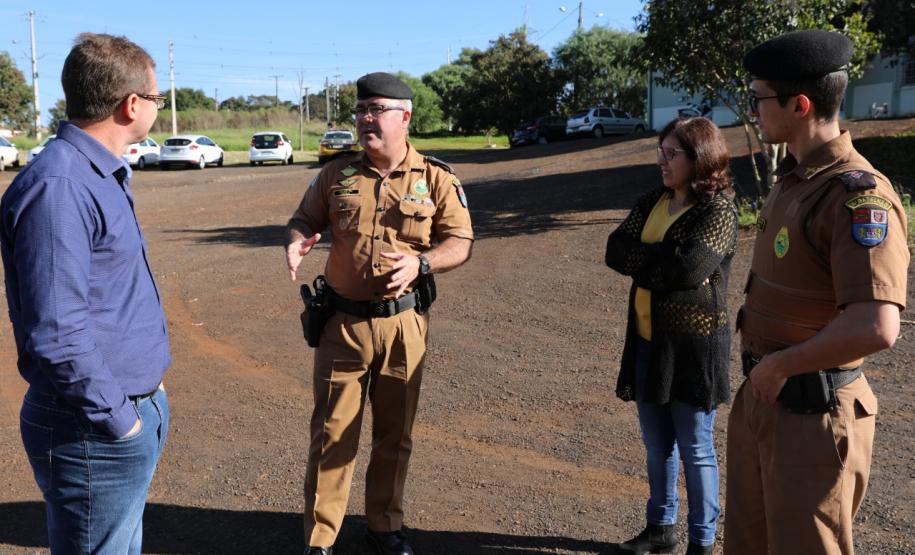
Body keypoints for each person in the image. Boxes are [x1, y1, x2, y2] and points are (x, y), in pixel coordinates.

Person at [724, 30, 909, 555]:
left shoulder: (856, 197)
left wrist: (781, 367)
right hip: (767, 400)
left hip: (812, 415)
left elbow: (876, 326)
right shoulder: (794, 180)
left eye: (758, 98)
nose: (753, 109)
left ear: (799, 105)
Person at [285, 72, 474, 555]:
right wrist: (297, 240)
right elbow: (304, 218)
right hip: (341, 326)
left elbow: (461, 241)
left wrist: (422, 261)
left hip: (403, 325)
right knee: (331, 435)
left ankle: (384, 527)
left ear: (404, 117)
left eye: (377, 111)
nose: (366, 120)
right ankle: (319, 538)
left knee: (395, 435)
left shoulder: (435, 177)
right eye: (362, 111)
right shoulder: (337, 175)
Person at [0, 33, 171, 554]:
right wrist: (122, 422)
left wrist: (150, 392)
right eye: (158, 99)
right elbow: (57, 333)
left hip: (116, 414)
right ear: (132, 104)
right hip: (92, 429)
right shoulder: (62, 187)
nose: (157, 109)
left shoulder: (96, 174)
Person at [605, 117, 738, 555]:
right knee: (658, 445)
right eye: (660, 151)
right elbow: (614, 250)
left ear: (699, 157)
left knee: (696, 448)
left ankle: (702, 542)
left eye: (671, 153)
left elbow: (691, 267)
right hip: (647, 342)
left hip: (693, 349)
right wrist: (664, 262)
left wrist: (648, 263)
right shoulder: (653, 201)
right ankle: (661, 529)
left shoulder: (718, 210)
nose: (661, 161)